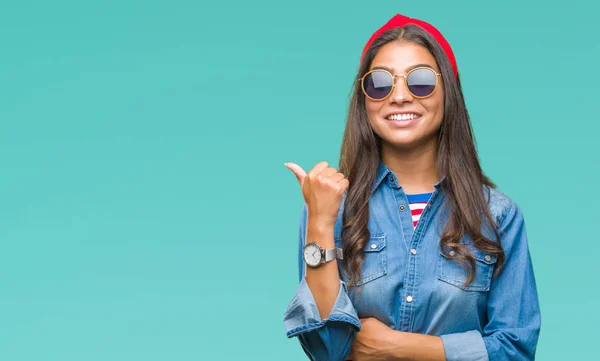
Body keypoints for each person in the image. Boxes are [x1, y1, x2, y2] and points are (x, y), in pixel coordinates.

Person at [282, 13, 541, 361]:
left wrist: (396, 347)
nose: (400, 96)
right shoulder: (331, 206)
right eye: (380, 83)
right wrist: (319, 222)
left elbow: (516, 349)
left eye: (420, 81)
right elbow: (326, 349)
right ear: (365, 100)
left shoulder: (498, 216)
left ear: (448, 93)